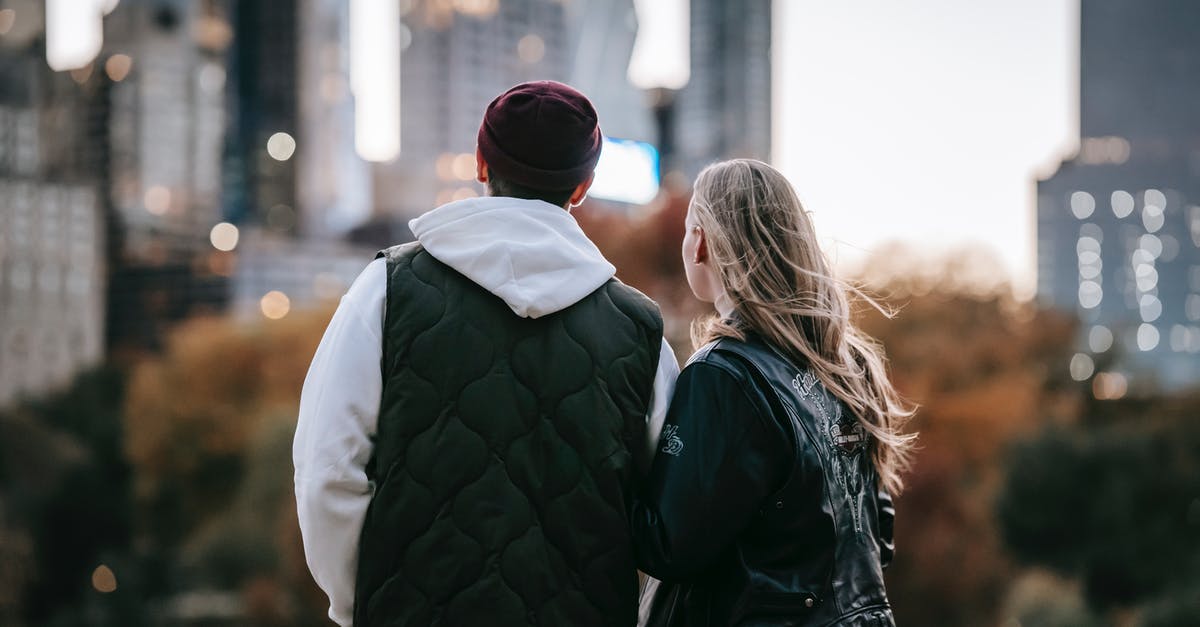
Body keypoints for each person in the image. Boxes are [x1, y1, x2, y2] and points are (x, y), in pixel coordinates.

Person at [293, 80, 679, 627]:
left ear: (479, 164)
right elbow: (672, 515)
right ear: (584, 186)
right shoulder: (642, 333)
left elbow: (327, 470)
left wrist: (361, 600)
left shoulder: (385, 290)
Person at [631, 159, 916, 626]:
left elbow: (666, 545)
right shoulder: (850, 364)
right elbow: (877, 536)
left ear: (700, 242)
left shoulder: (725, 374)